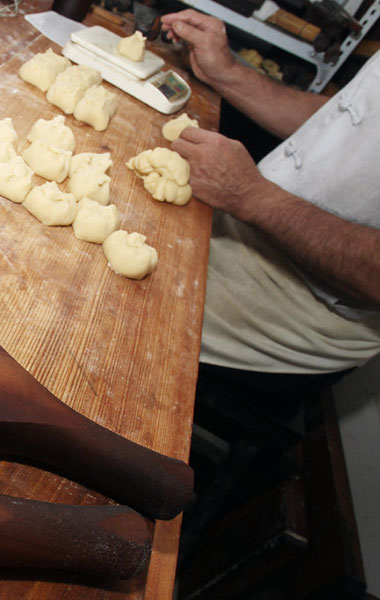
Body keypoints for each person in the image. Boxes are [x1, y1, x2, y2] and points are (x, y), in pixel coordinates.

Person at [158, 9, 380, 396]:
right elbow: (342, 124)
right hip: (252, 218)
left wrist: (253, 196)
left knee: (96, 295)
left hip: (298, 306)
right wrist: (226, 71)